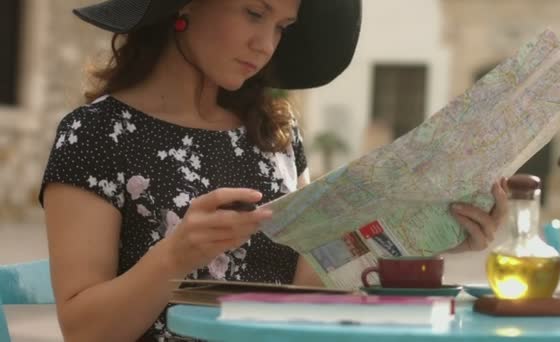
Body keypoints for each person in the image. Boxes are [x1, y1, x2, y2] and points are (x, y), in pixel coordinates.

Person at [38, 0, 508, 341]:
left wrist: (431, 235)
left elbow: (310, 284)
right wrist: (174, 256)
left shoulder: (274, 134)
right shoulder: (95, 135)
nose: (265, 44)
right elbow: (83, 331)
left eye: (283, 26)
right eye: (254, 13)